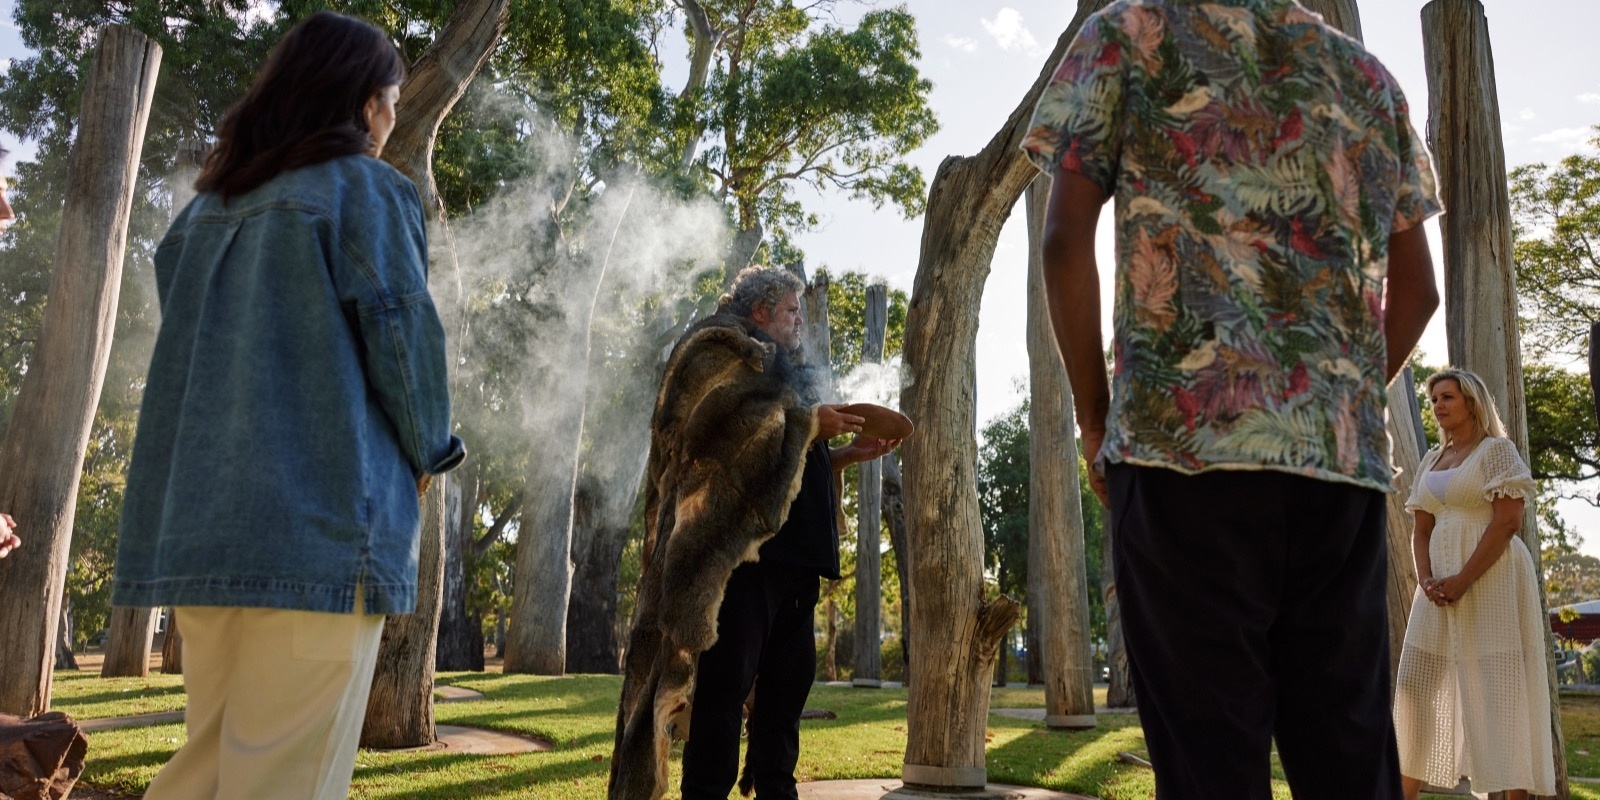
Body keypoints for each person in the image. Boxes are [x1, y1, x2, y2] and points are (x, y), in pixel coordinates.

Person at [1024, 1, 1441, 797]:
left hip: (1181, 451)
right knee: (1349, 760)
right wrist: (1331, 406)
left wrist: (1093, 415)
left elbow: (1063, 238)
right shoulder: (1365, 76)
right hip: (1338, 474)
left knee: (1210, 764)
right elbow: (1420, 291)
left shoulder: (1131, 34)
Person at [111, 12, 463, 800]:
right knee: (281, 785)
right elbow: (405, 347)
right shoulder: (366, 190)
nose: (393, 119)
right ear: (366, 101)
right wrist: (432, 454)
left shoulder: (203, 213)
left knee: (207, 770)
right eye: (394, 102)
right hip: (321, 530)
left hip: (209, 535)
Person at [610, 266, 897, 800]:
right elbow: (724, 439)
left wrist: (838, 455)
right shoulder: (716, 352)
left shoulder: (785, 370)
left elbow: (777, 465)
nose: (799, 322)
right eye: (792, 311)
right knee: (721, 698)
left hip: (796, 565)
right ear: (761, 309)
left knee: (783, 704)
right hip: (740, 565)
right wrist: (809, 423)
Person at [1393, 369, 1555, 799]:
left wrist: (1463, 580)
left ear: (1472, 402)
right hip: (1437, 590)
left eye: (1447, 397)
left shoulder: (1496, 452)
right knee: (1415, 687)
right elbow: (1420, 528)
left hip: (1491, 582)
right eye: (1433, 400)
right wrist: (1425, 578)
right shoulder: (1432, 459)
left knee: (1499, 695)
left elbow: (1508, 522)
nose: (1439, 406)